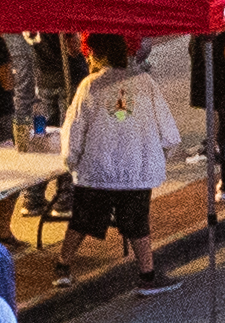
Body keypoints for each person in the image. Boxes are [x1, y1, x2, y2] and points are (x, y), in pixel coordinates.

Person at [61, 38, 182, 284]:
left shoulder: (89, 85)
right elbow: (169, 134)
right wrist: (158, 157)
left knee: (82, 219)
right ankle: (147, 275)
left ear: (95, 54)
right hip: (136, 170)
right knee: (138, 223)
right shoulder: (145, 82)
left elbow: (74, 128)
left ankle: (62, 266)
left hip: (97, 170)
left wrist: (70, 161)